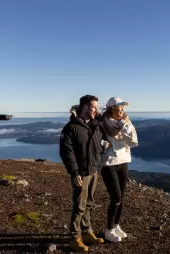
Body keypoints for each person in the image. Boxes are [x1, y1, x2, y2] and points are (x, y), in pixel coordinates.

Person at [59, 94, 109, 252]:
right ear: (84, 107)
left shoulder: (97, 125)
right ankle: (74, 238)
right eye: (94, 107)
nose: (96, 110)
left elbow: (98, 145)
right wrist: (74, 173)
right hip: (81, 173)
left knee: (89, 204)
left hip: (94, 171)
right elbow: (67, 152)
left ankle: (87, 233)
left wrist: (102, 148)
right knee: (79, 206)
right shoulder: (71, 127)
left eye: (97, 107)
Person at [99, 96, 138, 243]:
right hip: (109, 164)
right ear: (111, 110)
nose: (121, 112)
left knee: (121, 198)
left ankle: (116, 225)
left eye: (122, 109)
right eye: (118, 109)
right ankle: (109, 230)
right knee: (116, 197)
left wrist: (124, 123)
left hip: (123, 161)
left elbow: (134, 141)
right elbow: (98, 140)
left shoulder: (125, 122)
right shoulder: (103, 123)